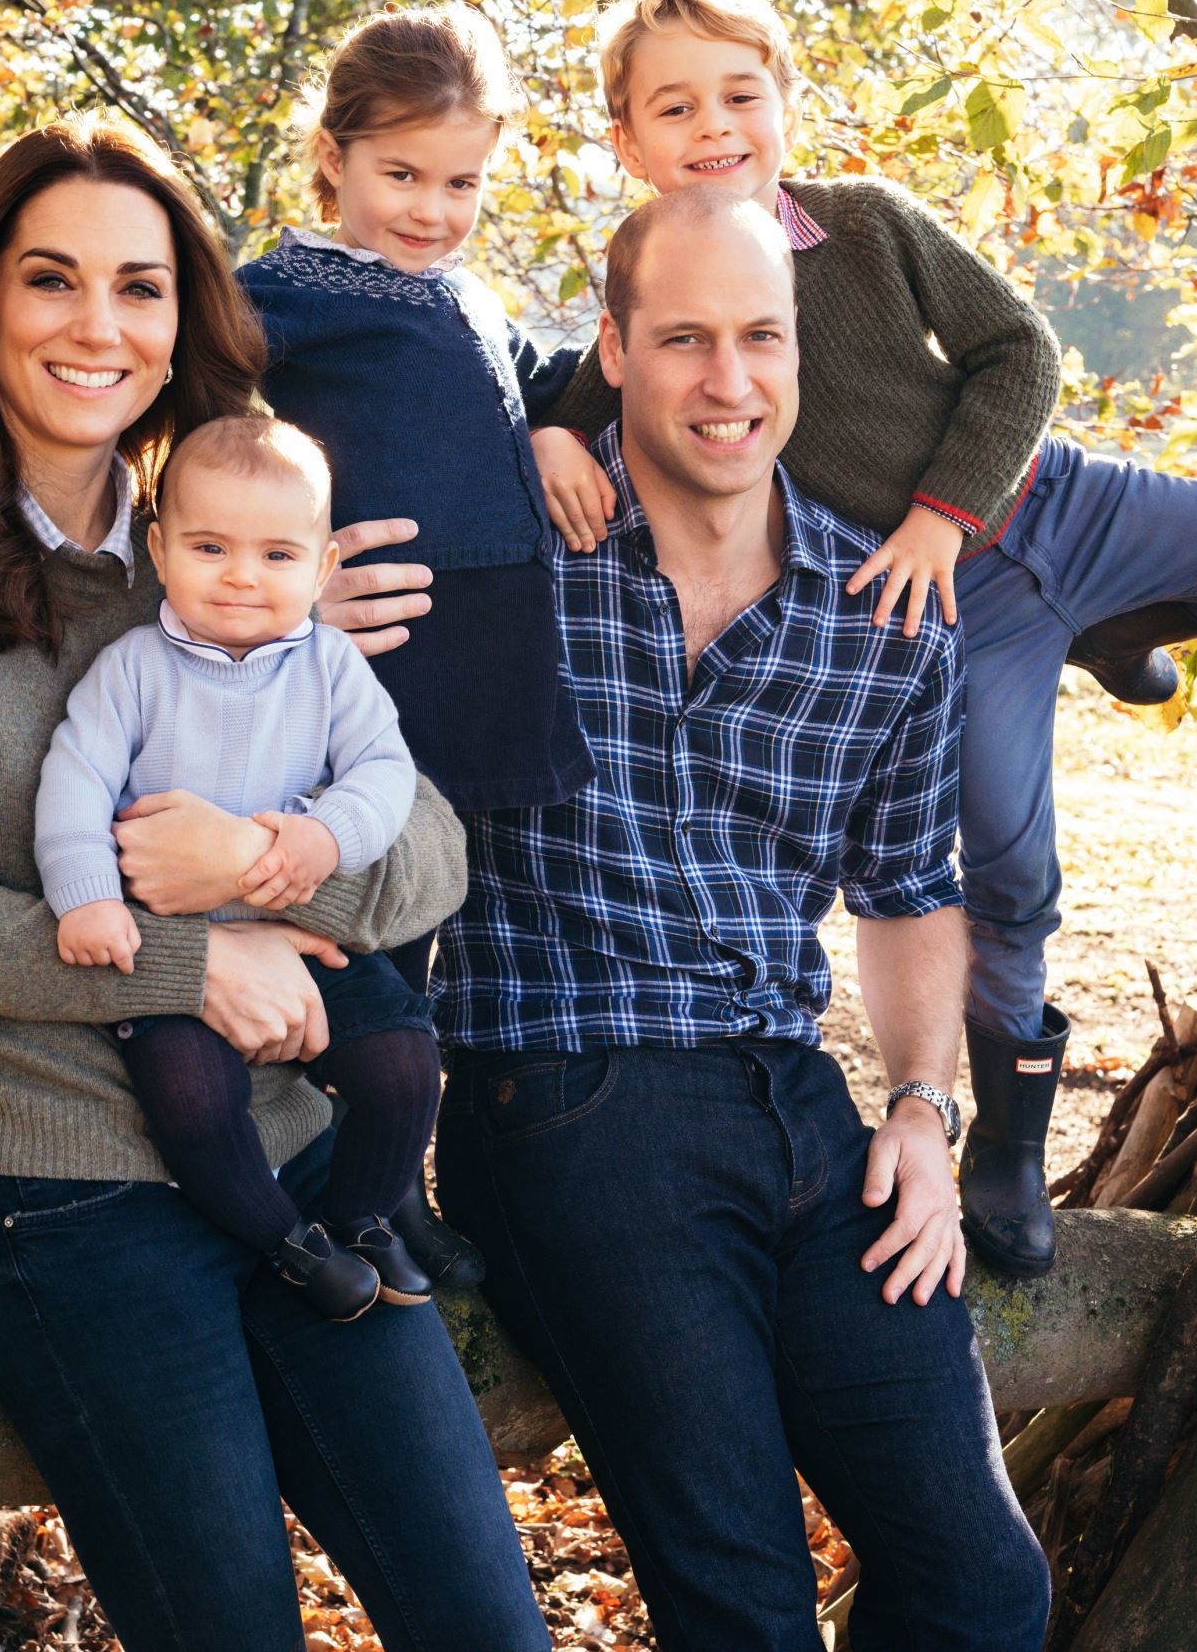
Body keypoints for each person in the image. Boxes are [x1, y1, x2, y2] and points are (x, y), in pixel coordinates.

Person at [0, 115, 549, 1652]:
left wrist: (271, 869)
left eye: (140, 287)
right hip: (64, 1188)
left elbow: (434, 845)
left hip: (304, 1157)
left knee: (487, 1623)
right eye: (51, 280)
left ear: (185, 319)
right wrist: (196, 964)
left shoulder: (230, 545)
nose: (97, 325)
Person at [529, 0, 1197, 1276]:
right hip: (953, 615)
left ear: (786, 102)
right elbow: (586, 396)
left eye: (741, 94)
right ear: (628, 141)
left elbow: (1018, 351)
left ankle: (1119, 622)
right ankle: (1011, 1151)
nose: (715, 126)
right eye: (674, 107)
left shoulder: (866, 226)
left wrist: (939, 510)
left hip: (1051, 505)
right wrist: (544, 437)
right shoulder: (657, 290)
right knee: (1008, 867)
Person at [437, 185, 1052, 1651]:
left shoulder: (882, 607)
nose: (730, 380)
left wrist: (918, 1104)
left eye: (760, 337)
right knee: (746, 1609)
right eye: (686, 338)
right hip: (570, 1095)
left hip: (796, 1100)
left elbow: (910, 889)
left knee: (984, 1587)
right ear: (615, 348)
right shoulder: (508, 552)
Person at [237, 1, 597, 1285]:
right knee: (367, 933)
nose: (433, 208)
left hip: (489, 661)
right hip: (386, 661)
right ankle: (355, 1185)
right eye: (401, 174)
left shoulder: (466, 290)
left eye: (462, 182)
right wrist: (280, 571)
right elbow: (190, 428)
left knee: (428, 930)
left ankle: (399, 1177)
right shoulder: (283, 293)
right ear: (333, 155)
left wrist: (555, 425)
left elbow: (534, 373)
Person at [34, 415, 439, 1318]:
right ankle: (285, 1242)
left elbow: (384, 772)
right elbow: (73, 782)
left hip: (299, 936)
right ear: (160, 548)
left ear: (324, 566)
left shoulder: (331, 667)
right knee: (191, 1096)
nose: (242, 576)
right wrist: (88, 898)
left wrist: (323, 837)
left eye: (277, 554)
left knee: (405, 1062)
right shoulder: (132, 669)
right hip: (173, 950)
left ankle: (364, 1214)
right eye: (210, 546)